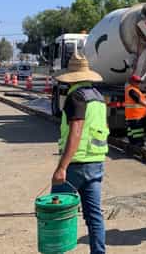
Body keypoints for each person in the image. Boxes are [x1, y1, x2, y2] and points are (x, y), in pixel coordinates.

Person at [51, 54, 109, 254]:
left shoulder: (76, 97)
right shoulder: (98, 97)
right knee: (94, 216)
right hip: (96, 163)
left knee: (56, 211)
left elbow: (76, 132)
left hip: (76, 165)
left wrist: (62, 167)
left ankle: (56, 249)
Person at [124, 74, 146, 147]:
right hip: (135, 116)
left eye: (139, 82)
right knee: (138, 133)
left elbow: (140, 96)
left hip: (134, 116)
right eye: (137, 82)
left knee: (133, 132)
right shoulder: (132, 90)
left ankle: (132, 145)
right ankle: (137, 146)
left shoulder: (133, 89)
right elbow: (139, 100)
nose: (139, 83)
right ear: (132, 82)